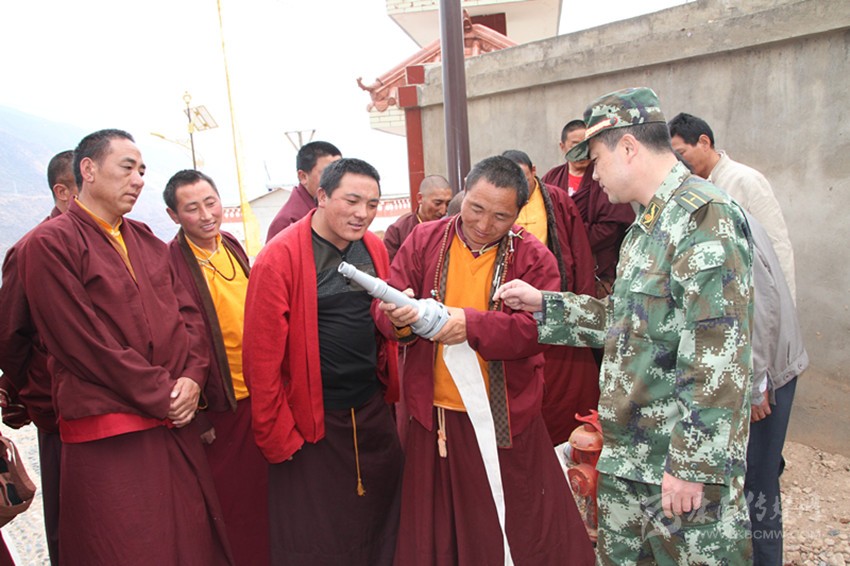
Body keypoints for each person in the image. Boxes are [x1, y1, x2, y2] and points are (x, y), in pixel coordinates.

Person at [496, 88, 754, 564]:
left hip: (677, 467)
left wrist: (692, 465)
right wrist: (544, 305)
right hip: (630, 458)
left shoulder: (702, 216)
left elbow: (719, 356)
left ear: (629, 148)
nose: (593, 174)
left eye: (596, 159)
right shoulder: (646, 225)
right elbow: (627, 320)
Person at [18, 129, 233, 565]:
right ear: (88, 169)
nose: (138, 180)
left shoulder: (146, 240)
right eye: (127, 168)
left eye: (142, 171)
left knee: (190, 543)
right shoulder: (50, 244)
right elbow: (81, 343)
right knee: (126, 546)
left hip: (173, 422)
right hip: (112, 432)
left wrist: (193, 378)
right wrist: (162, 393)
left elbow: (190, 316)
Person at [378, 155, 595, 565]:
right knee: (434, 530)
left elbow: (537, 330)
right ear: (465, 193)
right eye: (475, 208)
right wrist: (398, 317)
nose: (482, 224)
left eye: (500, 216)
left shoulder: (531, 256)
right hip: (435, 414)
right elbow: (389, 302)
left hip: (502, 417)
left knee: (515, 526)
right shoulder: (424, 240)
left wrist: (472, 325)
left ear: (518, 213)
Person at [243, 158, 403, 566]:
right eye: (352, 200)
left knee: (382, 513)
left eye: (372, 204)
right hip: (312, 419)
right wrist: (278, 435)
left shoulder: (372, 248)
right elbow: (261, 361)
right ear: (322, 196)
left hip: (369, 406)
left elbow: (379, 318)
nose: (362, 213)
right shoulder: (279, 258)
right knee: (317, 531)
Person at [164, 169, 269, 566]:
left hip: (258, 391)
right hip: (221, 402)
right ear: (174, 215)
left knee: (265, 497)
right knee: (234, 504)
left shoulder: (231, 244)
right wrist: (198, 415)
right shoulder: (170, 263)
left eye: (211, 203)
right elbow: (175, 342)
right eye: (192, 208)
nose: (207, 215)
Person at [0, 149, 78, 565]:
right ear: (63, 192)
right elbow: (10, 339)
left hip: (110, 406)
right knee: (73, 517)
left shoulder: (109, 242)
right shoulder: (31, 249)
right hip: (60, 408)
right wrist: (43, 398)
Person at [501, 149, 599, 444]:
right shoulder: (503, 201)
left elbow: (578, 251)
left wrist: (580, 300)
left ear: (534, 170)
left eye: (523, 177)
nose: (519, 185)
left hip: (555, 298)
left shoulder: (556, 199)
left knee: (566, 388)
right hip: (513, 303)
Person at [668, 112, 796, 300]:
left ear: (704, 142)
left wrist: (785, 301)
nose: (679, 162)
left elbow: (777, 244)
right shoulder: (687, 189)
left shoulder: (746, 181)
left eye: (681, 153)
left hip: (751, 297)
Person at [744, 211, 807, 565]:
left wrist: (757, 384)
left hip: (767, 376)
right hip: (763, 370)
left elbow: (758, 305)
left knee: (757, 486)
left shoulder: (717, 216)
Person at [542, 120, 636, 298]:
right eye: (575, 145)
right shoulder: (551, 178)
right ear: (563, 146)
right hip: (560, 263)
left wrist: (573, 238)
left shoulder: (602, 176)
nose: (582, 153)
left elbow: (611, 227)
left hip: (597, 265)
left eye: (586, 146)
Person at [265, 141, 341, 241]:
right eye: (327, 173)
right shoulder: (287, 223)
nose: (336, 179)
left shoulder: (339, 208)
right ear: (303, 177)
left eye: (340, 172)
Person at [383, 175, 452, 262]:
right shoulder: (398, 230)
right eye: (437, 203)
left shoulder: (450, 228)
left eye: (448, 204)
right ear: (420, 198)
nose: (443, 211)